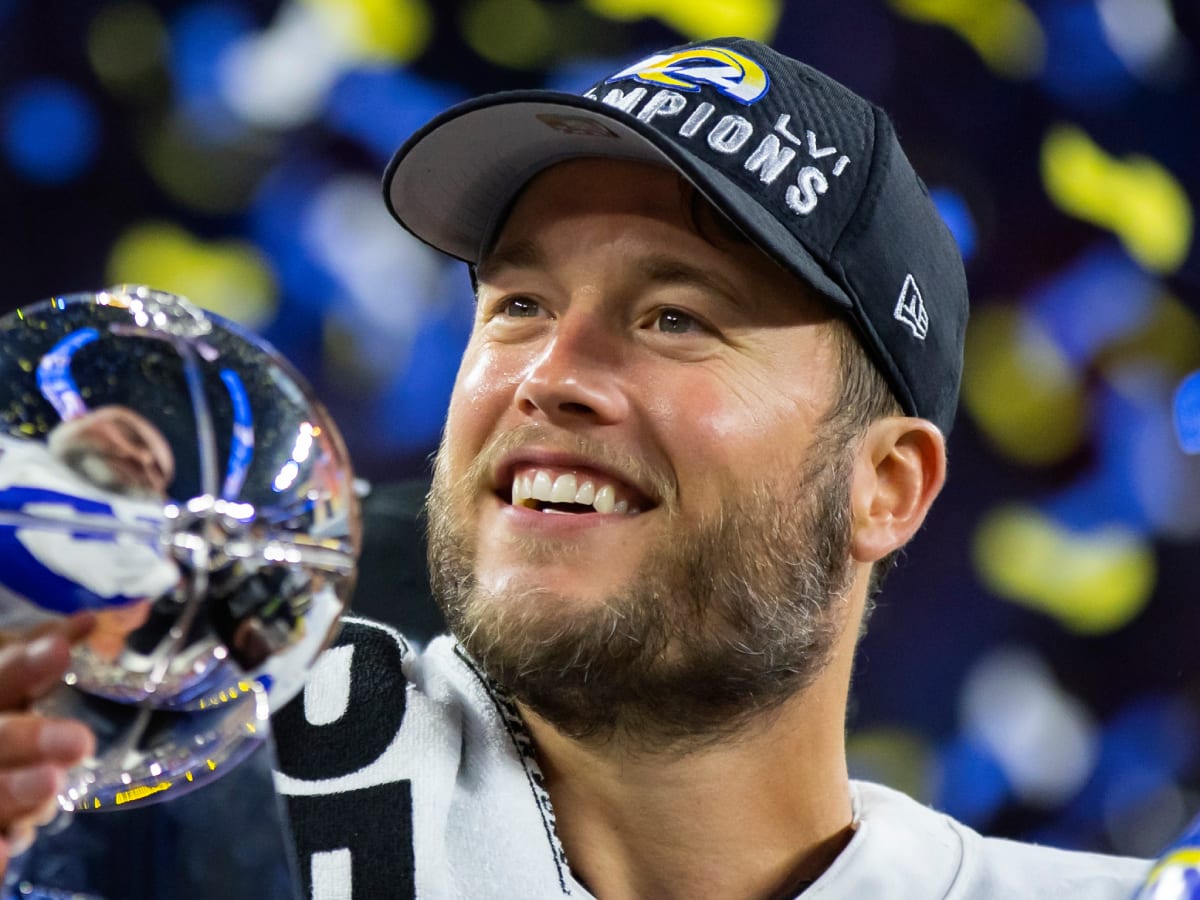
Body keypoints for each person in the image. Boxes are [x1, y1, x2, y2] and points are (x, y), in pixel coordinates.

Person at [1, 36, 1153, 898]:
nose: (549, 371)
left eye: (674, 317)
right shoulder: (192, 710)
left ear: (885, 486)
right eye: (517, 303)